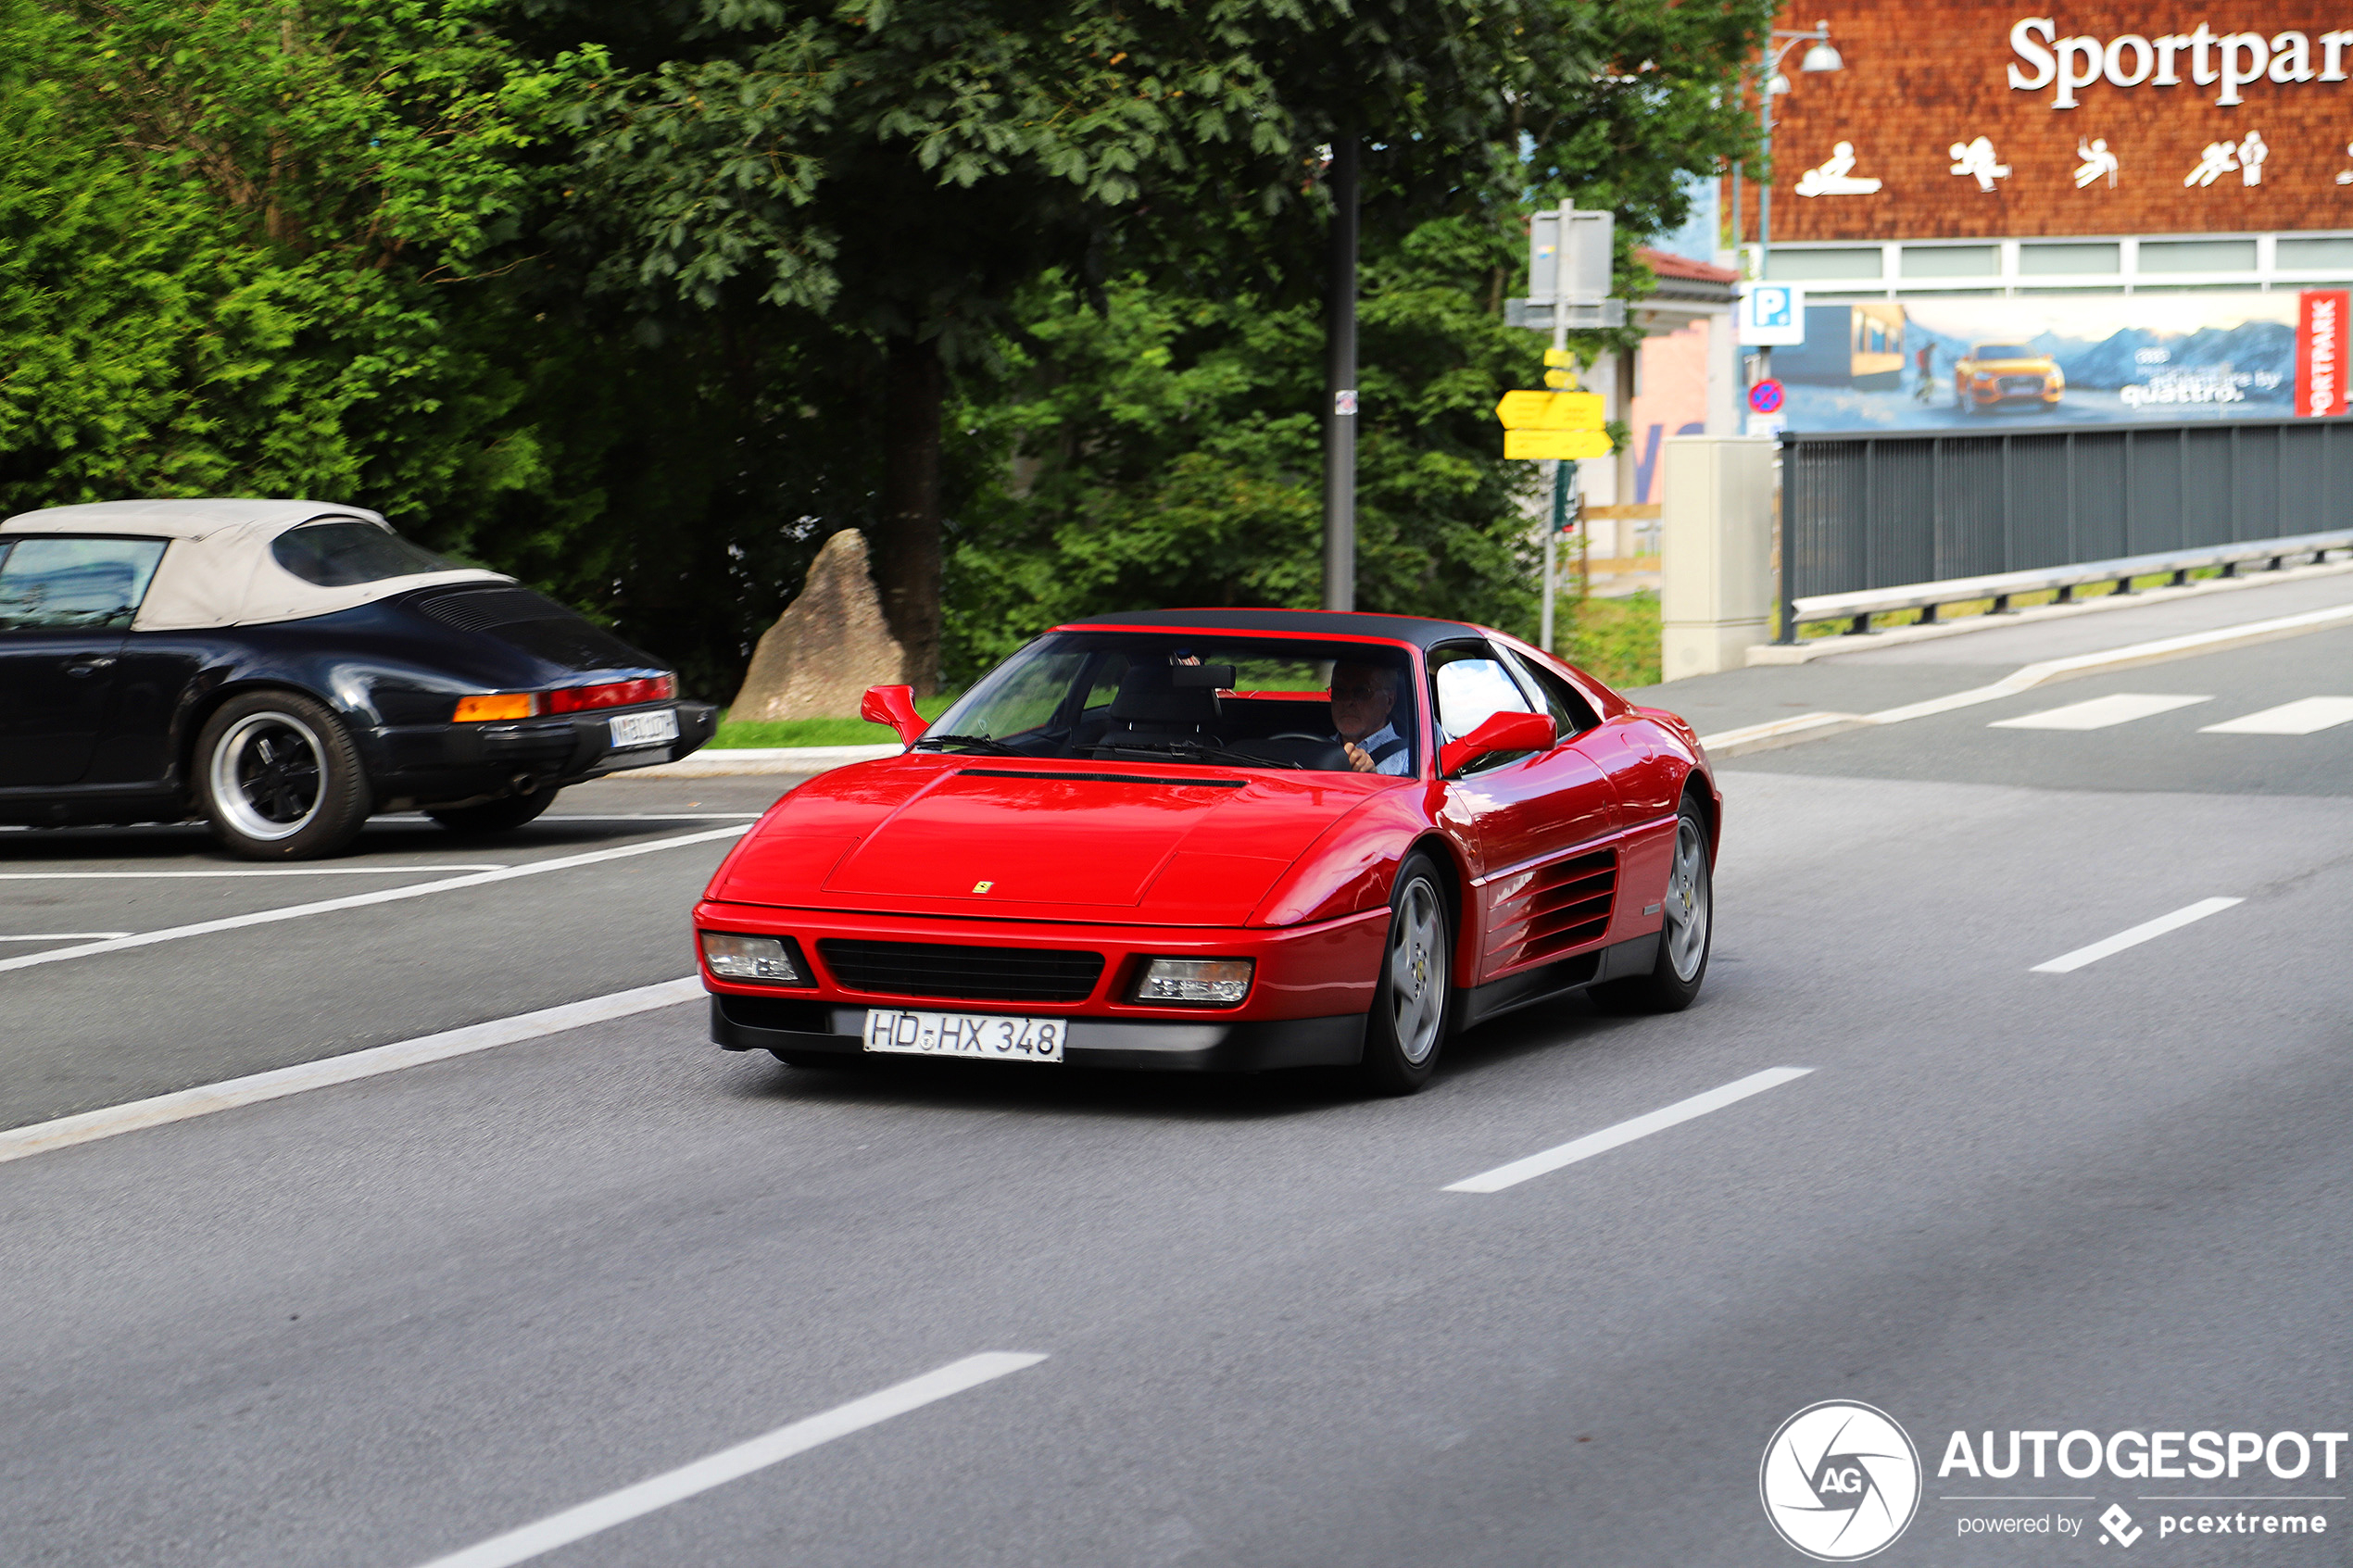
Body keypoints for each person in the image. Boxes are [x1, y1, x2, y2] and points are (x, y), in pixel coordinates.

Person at [1328, 662, 1412, 775]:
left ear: (1389, 701)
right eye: (1339, 691)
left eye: (1362, 692)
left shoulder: (1410, 760)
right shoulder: (1317, 751)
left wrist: (1374, 780)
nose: (1348, 701)